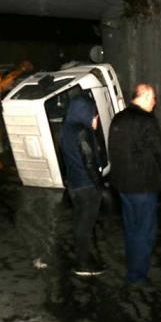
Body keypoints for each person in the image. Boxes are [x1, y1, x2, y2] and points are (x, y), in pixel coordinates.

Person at [108, 83, 161, 286]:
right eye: (153, 98)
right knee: (145, 232)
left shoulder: (118, 118)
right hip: (143, 186)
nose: (155, 102)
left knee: (132, 229)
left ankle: (132, 267)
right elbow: (159, 151)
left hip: (123, 186)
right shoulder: (146, 120)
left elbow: (114, 151)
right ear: (144, 96)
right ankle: (137, 275)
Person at [60, 95, 106, 277]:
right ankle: (83, 263)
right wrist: (99, 185)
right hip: (86, 185)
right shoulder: (82, 132)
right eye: (94, 114)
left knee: (80, 223)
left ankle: (82, 257)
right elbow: (89, 161)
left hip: (74, 184)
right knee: (85, 225)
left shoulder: (66, 130)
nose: (96, 118)